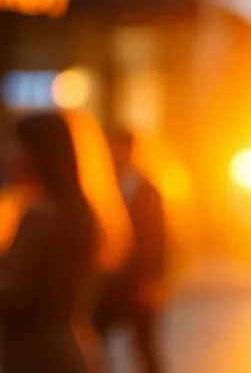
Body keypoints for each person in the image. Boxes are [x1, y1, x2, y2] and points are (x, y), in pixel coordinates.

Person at [0, 110, 132, 373]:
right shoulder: (79, 213)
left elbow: (11, 296)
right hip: (76, 347)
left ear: (39, 154)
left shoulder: (41, 215)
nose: (8, 154)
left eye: (16, 145)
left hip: (39, 356)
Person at [94, 125, 167, 373]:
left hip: (139, 280)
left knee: (144, 344)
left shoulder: (147, 189)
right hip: (112, 280)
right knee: (96, 338)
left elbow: (157, 239)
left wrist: (152, 280)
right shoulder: (106, 185)